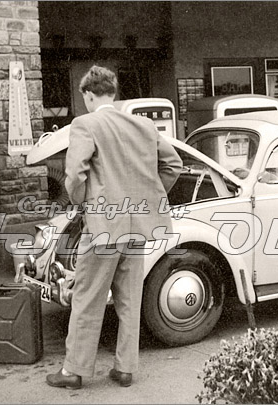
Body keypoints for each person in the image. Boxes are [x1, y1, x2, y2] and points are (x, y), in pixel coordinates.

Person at [46, 65, 182, 390]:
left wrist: (84, 204)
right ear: (113, 93)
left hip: (103, 226)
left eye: (85, 97)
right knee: (129, 300)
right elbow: (173, 164)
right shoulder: (143, 125)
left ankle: (74, 371)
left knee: (87, 299)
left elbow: (74, 175)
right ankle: (125, 369)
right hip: (137, 226)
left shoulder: (85, 124)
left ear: (88, 95)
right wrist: (148, 197)